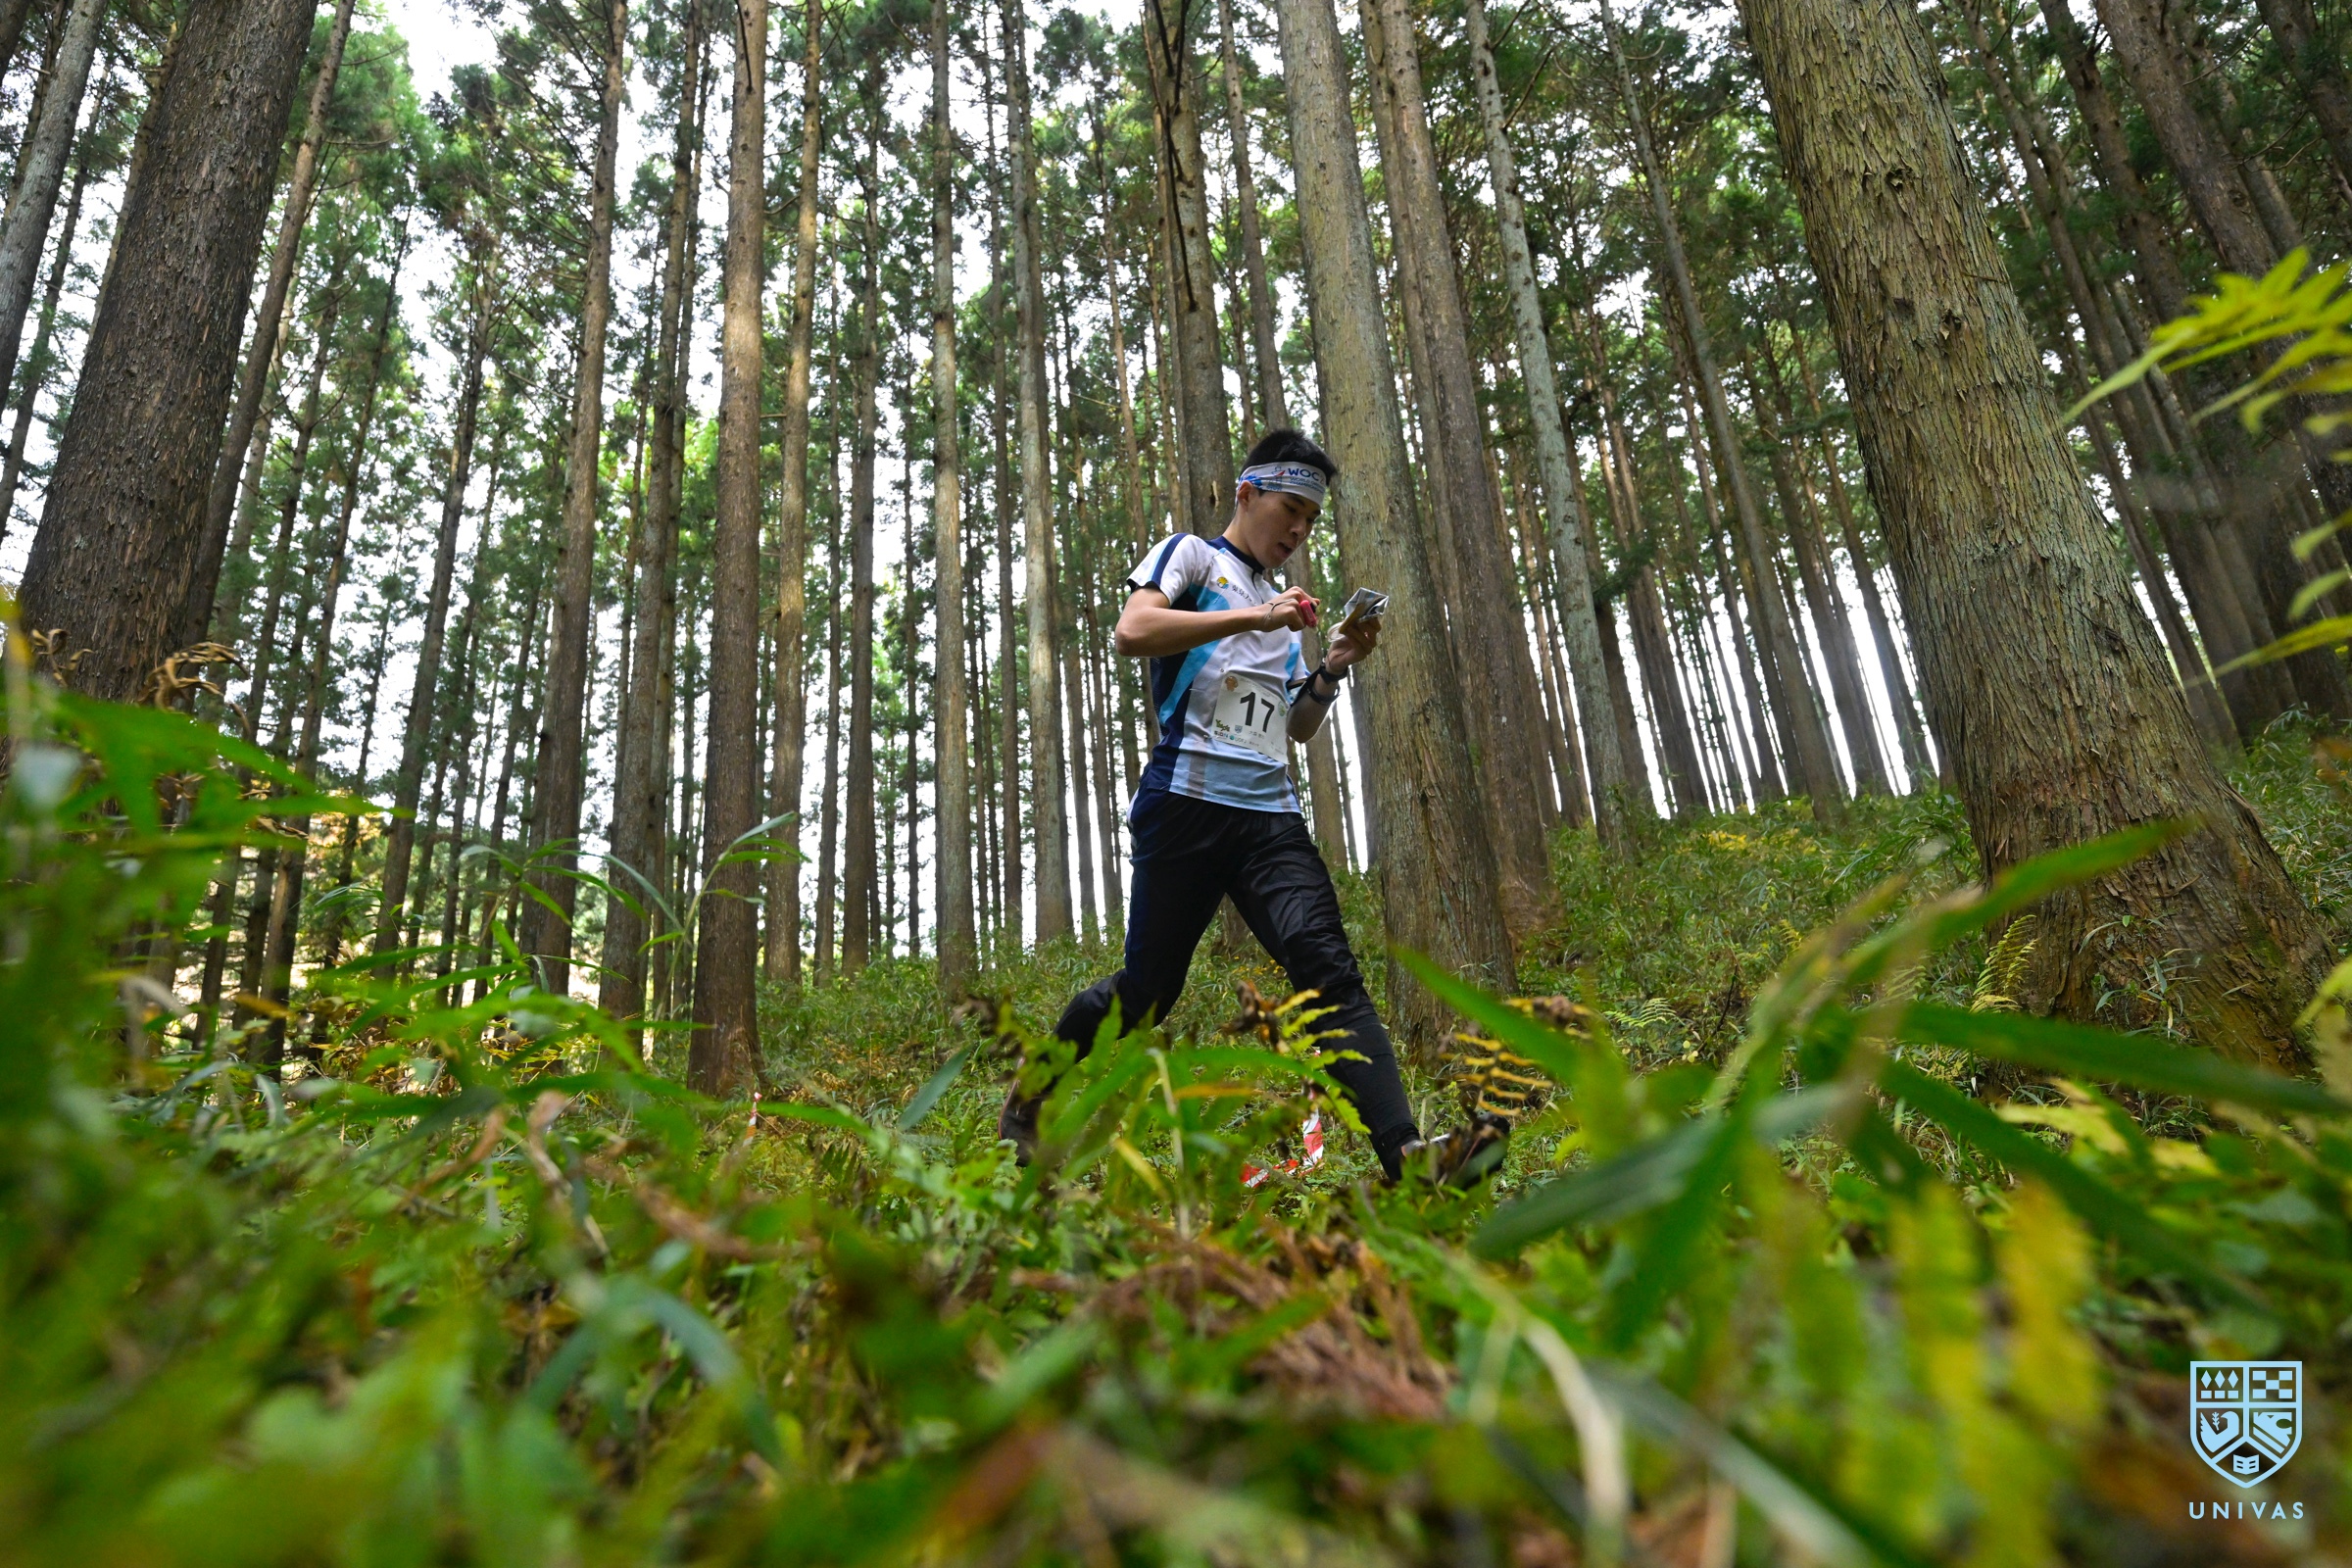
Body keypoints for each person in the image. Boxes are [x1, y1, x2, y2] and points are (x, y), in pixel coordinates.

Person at [997, 428, 1501, 1184]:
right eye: (1290, 511)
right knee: (1147, 995)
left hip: (1269, 821)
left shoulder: (1283, 605)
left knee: (1329, 973)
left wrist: (1331, 668)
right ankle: (1032, 1096)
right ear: (1247, 493)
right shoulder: (1193, 558)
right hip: (1185, 806)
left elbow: (1295, 725)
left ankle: (1406, 1155)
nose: (1299, 531)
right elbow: (1134, 630)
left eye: (1311, 520)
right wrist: (1253, 618)